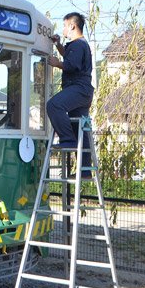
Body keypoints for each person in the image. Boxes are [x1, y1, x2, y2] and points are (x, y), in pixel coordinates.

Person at [46, 12, 94, 173]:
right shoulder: (81, 45)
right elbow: (69, 56)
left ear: (72, 26)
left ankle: (67, 140)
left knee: (54, 105)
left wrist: (56, 64)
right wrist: (58, 44)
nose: (64, 29)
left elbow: (71, 64)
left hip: (78, 88)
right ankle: (85, 170)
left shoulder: (77, 45)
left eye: (65, 25)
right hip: (84, 92)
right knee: (80, 127)